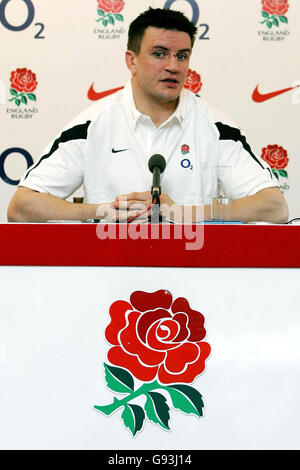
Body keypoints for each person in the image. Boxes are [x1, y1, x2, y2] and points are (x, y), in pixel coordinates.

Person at [7, 8, 288, 224]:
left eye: (182, 56)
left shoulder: (216, 127)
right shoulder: (93, 125)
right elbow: (21, 207)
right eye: (159, 53)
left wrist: (183, 213)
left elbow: (275, 206)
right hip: (108, 271)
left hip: (195, 273)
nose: (173, 66)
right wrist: (103, 211)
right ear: (131, 60)